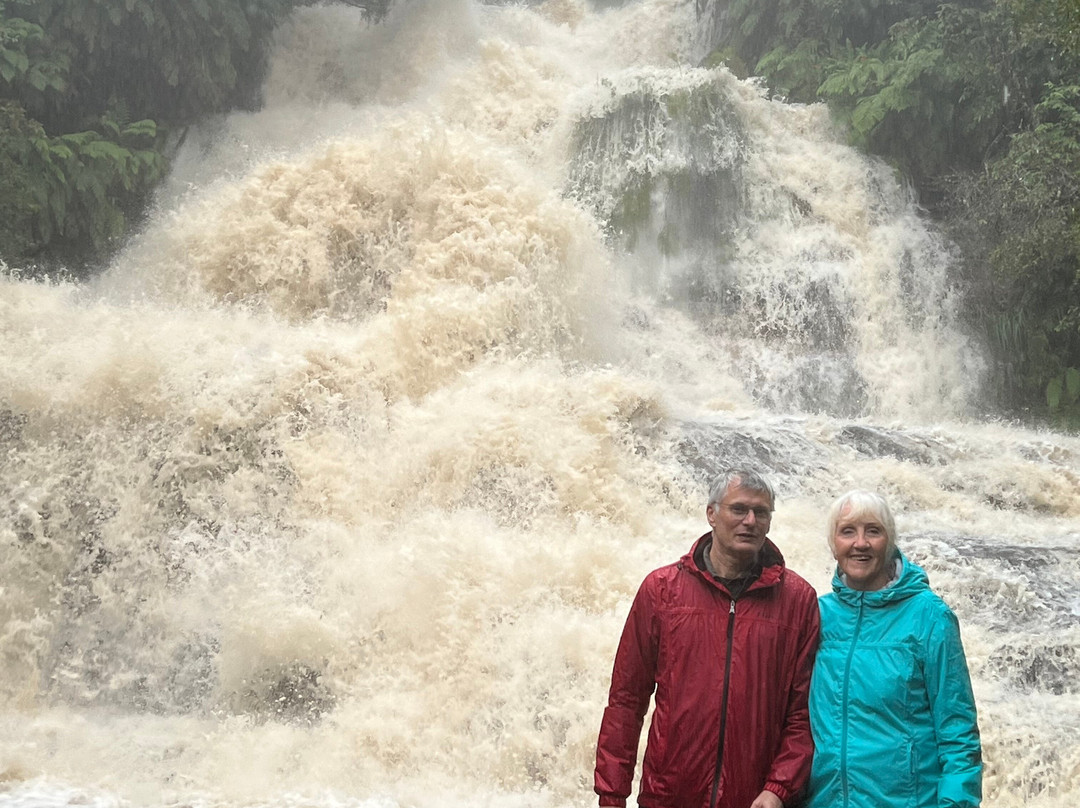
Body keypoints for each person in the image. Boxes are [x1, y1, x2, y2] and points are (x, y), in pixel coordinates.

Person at [594, 469, 820, 808]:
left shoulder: (798, 601)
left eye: (761, 512)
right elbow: (626, 701)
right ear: (711, 514)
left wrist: (779, 788)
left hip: (756, 799)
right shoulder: (662, 590)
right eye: (738, 509)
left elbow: (802, 714)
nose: (750, 520)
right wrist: (612, 794)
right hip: (669, 796)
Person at [806, 490, 982, 808]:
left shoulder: (930, 616)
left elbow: (958, 730)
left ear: (890, 541)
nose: (860, 543)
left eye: (873, 530)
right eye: (848, 531)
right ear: (833, 545)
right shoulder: (818, 615)